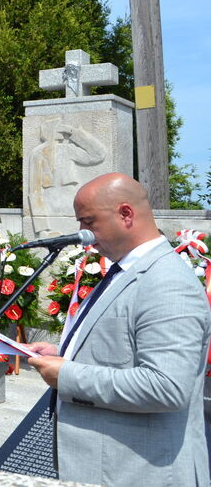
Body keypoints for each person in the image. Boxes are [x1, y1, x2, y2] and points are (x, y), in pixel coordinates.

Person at [27, 173, 211, 486]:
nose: (82, 233)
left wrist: (67, 375)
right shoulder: (125, 269)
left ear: (125, 214)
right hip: (108, 466)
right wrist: (64, 353)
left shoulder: (166, 282)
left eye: (88, 221)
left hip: (138, 472)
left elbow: (166, 386)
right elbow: (123, 348)